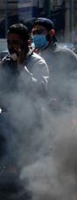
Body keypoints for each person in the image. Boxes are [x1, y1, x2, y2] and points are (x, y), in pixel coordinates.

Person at [0, 24, 49, 158]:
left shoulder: (37, 63)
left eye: (15, 42)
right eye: (9, 42)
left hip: (30, 124)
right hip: (7, 124)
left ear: (27, 43)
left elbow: (39, 91)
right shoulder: (6, 61)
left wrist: (21, 67)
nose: (11, 46)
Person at [31, 17, 77, 109]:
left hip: (61, 112)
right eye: (33, 32)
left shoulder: (67, 55)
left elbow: (76, 86)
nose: (35, 35)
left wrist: (63, 102)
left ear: (51, 33)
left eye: (39, 31)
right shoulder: (32, 57)